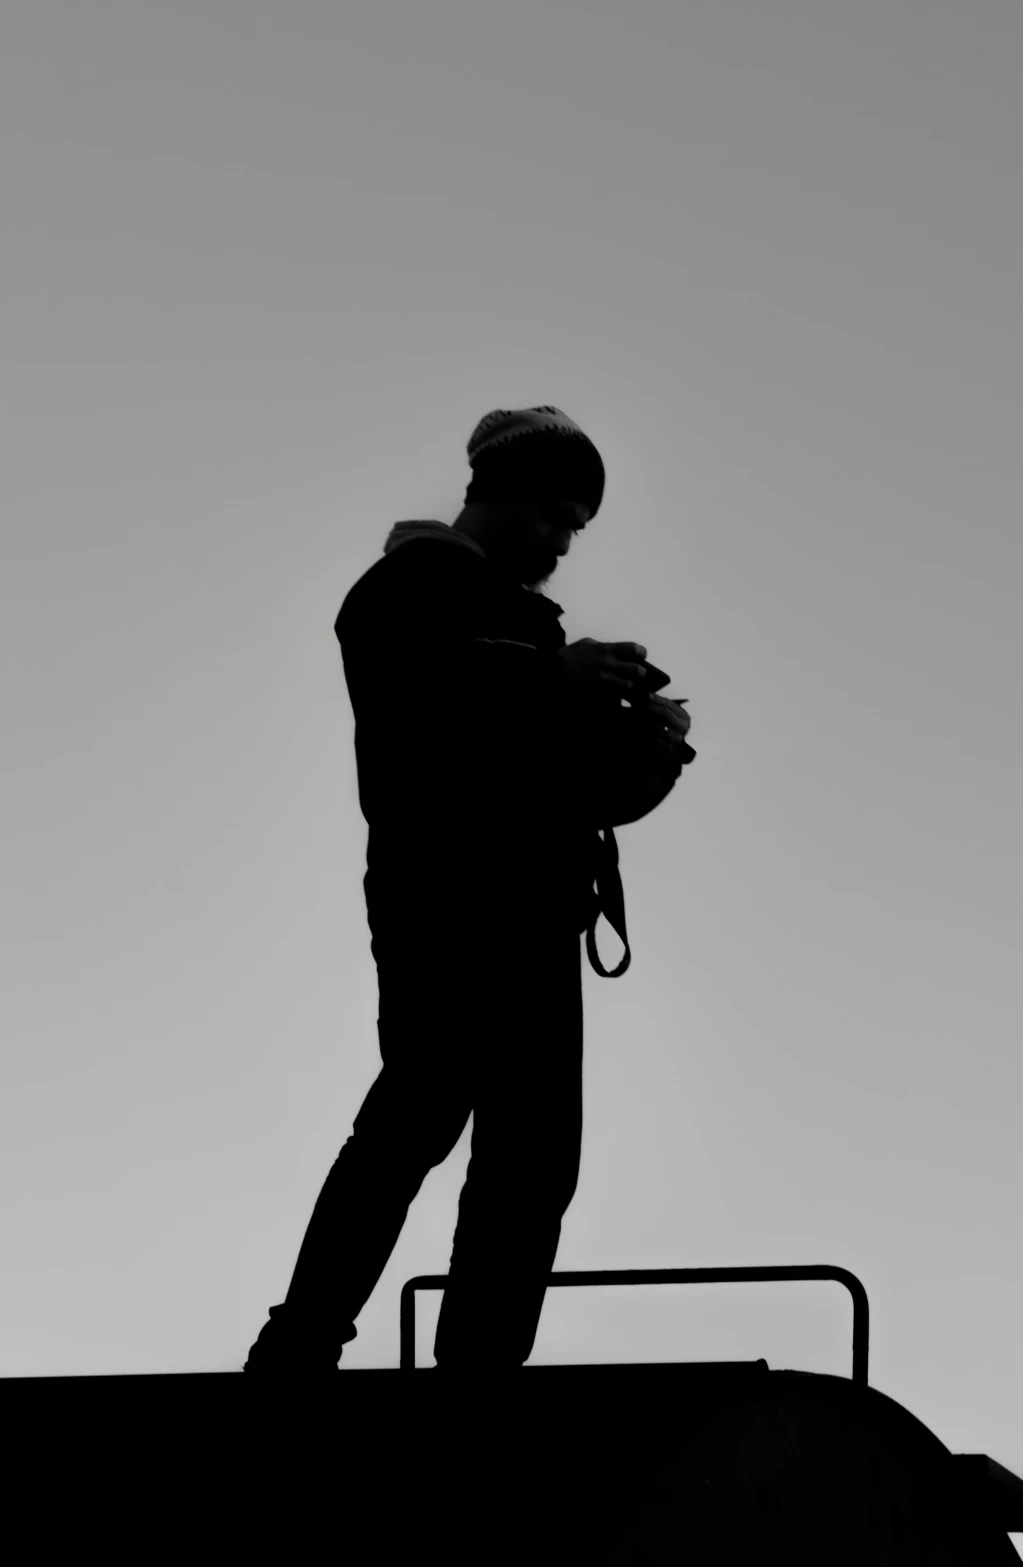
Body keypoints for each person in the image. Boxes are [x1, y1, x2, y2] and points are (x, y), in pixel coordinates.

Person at [243, 406, 694, 1374]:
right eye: (554, 514)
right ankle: (298, 1343)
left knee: (530, 1165)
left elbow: (568, 780)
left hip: (531, 917)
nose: (563, 541)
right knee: (418, 1115)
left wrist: (647, 754)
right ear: (495, 490)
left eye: (576, 525)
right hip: (442, 906)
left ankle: (476, 1380)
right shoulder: (401, 589)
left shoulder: (531, 632)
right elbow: (424, 697)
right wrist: (560, 680)